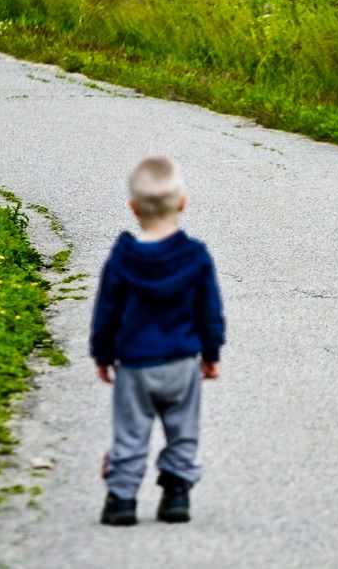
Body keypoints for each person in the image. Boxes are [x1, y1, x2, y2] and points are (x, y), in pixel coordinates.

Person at [90, 156, 225, 526]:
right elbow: (209, 311)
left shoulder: (122, 259)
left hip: (135, 365)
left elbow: (106, 311)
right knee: (183, 429)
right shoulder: (195, 257)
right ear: (182, 203)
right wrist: (211, 353)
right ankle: (177, 496)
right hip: (182, 363)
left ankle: (121, 499)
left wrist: (102, 354)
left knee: (130, 433)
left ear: (132, 207)